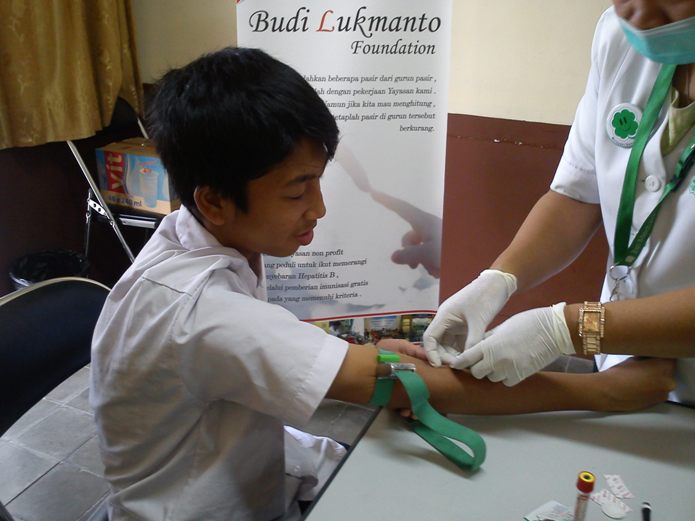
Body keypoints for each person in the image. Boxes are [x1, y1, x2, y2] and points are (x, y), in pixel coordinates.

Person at [90, 47, 675, 521]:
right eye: (296, 191)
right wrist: (602, 393)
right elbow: (398, 386)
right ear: (215, 201)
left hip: (239, 473)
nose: (318, 208)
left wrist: (363, 352)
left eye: (318, 181)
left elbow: (256, 344)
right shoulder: (203, 310)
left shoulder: (190, 240)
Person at [424, 1, 695, 403]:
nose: (635, 13)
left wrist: (566, 329)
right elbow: (577, 194)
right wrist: (498, 280)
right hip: (626, 372)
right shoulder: (619, 38)